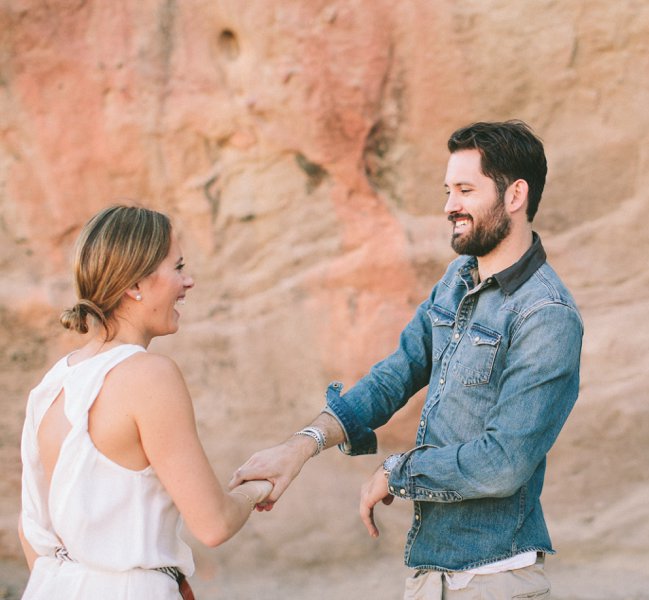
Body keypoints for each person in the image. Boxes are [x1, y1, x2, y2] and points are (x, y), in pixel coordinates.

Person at [232, 120, 583, 598]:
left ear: (515, 195)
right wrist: (300, 447)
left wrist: (399, 472)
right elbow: (392, 378)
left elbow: (504, 462)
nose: (449, 206)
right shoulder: (458, 279)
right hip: (429, 578)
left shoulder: (547, 315)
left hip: (497, 581)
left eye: (464, 189)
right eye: (447, 190)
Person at [18, 205, 273, 599]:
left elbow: (32, 534)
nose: (188, 282)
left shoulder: (53, 384)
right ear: (135, 284)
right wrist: (258, 487)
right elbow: (214, 523)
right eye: (178, 267)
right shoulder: (149, 375)